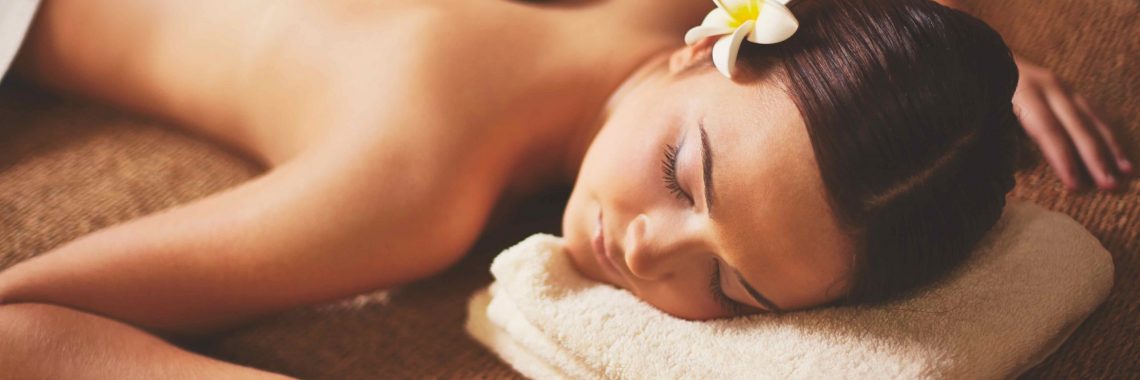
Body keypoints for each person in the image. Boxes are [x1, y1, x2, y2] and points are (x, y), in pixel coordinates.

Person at [0, 0, 1129, 377]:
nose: (651, 249)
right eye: (688, 171)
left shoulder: (687, 44)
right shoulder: (414, 185)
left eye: (730, 286)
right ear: (704, 46)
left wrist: (961, 89)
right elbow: (23, 325)